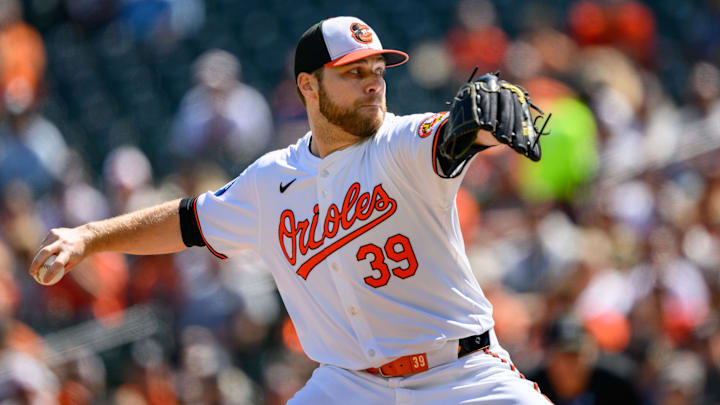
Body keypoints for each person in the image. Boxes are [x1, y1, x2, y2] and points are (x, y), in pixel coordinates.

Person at [30, 16, 551, 404]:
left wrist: (481, 127)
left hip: (459, 375)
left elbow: (449, 137)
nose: (373, 81)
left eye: (378, 69)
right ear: (308, 85)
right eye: (352, 72)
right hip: (348, 386)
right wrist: (91, 236)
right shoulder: (269, 180)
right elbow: (187, 221)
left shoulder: (399, 143)